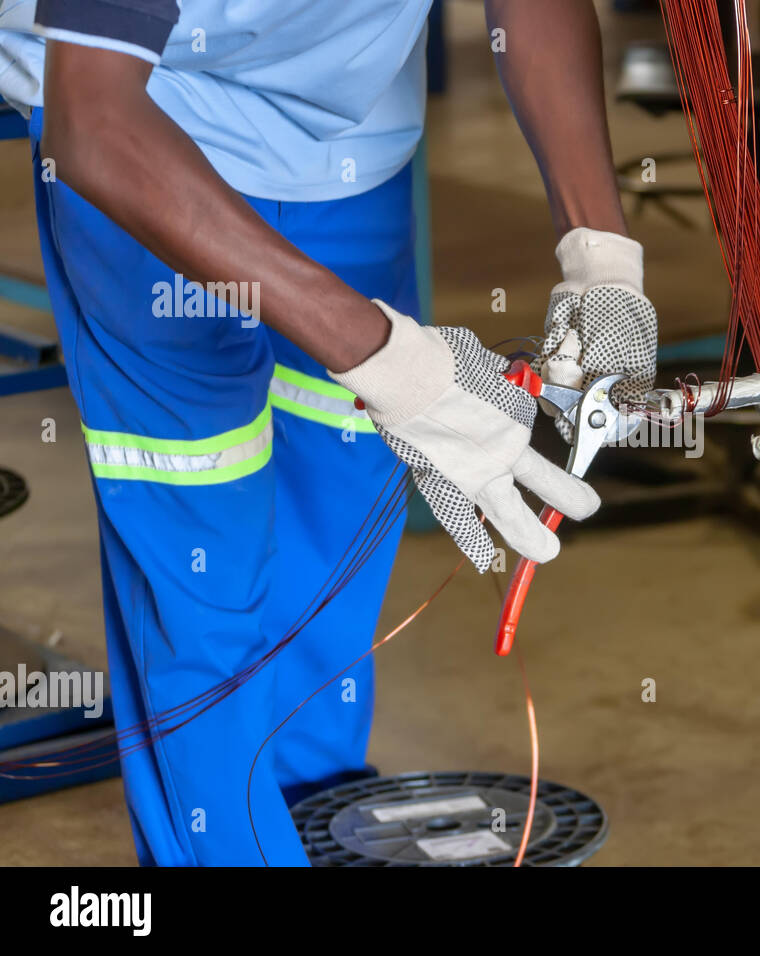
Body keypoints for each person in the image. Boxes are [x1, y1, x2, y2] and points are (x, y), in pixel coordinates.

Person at [0, 0, 657, 865]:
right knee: (207, 583)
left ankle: (317, 821)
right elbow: (94, 125)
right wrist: (388, 361)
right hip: (140, 131)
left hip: (348, 144)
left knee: (336, 551)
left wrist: (599, 254)